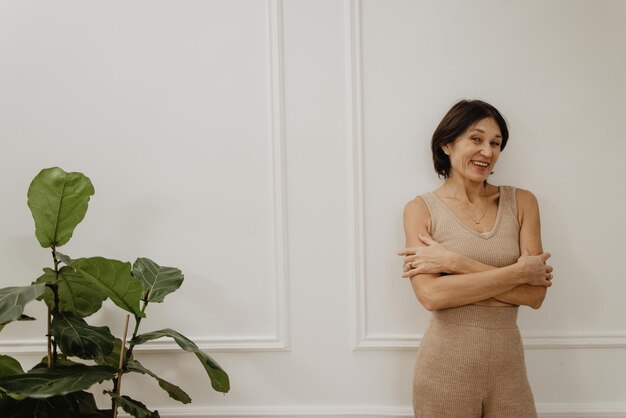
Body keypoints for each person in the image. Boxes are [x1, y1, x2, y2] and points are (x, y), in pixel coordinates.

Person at [398, 99, 553, 418]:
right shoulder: (420, 210)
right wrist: (519, 273)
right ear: (446, 143)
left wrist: (453, 262)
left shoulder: (522, 202)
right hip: (444, 372)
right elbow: (431, 295)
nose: (487, 151)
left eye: (496, 143)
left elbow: (535, 295)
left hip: (509, 372)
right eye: (476, 139)